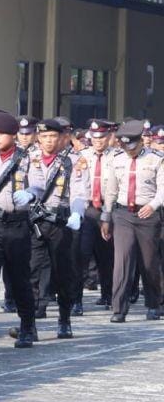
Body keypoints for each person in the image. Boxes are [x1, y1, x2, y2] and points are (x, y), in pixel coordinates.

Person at [0, 111, 38, 349]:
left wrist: (31, 193)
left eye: (0, 134)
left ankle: (27, 327)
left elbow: (39, 183)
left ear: (13, 135)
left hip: (17, 225)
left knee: (19, 279)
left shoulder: (27, 158)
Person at [25, 119, 88, 339]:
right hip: (35, 221)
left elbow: (79, 192)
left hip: (61, 221)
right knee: (31, 272)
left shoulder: (74, 161)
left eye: (53, 136)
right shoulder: (29, 158)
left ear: (61, 137)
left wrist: (77, 213)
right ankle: (29, 323)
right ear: (38, 138)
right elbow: (29, 185)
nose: (49, 141)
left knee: (63, 272)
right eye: (44, 137)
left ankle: (64, 319)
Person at [101, 119, 164, 322]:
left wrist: (153, 205)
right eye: (125, 145)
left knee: (149, 262)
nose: (129, 150)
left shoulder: (156, 159)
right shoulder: (117, 159)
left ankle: (154, 304)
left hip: (148, 214)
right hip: (123, 215)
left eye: (132, 145)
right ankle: (119, 308)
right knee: (123, 260)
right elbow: (110, 190)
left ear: (141, 141)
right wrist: (106, 217)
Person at [77, 120, 116, 309]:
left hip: (107, 210)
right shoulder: (82, 156)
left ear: (108, 137)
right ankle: (76, 299)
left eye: (102, 138)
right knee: (81, 255)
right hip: (86, 210)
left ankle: (107, 295)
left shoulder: (117, 157)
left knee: (106, 257)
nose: (98, 142)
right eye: (95, 138)